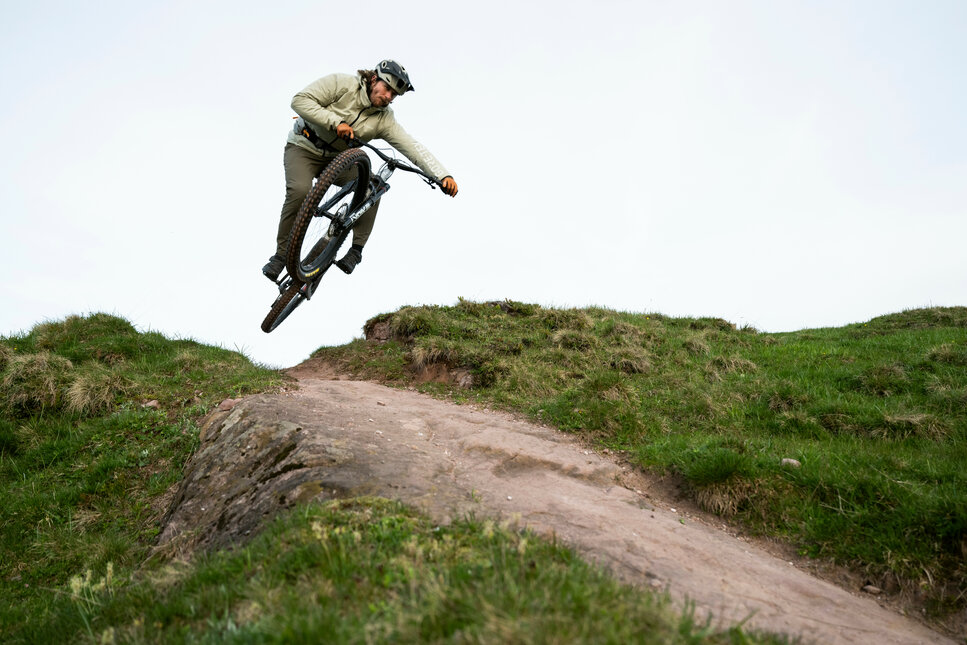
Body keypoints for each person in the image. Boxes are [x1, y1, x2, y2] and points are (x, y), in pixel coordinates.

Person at [262, 59, 458, 281]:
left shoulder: (384, 118)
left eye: (394, 95)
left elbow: (411, 146)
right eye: (387, 89)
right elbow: (300, 100)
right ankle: (280, 257)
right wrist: (335, 122)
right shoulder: (342, 84)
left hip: (338, 159)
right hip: (304, 147)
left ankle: (355, 251)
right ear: (374, 78)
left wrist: (442, 175)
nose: (388, 97)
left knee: (372, 188)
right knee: (299, 191)